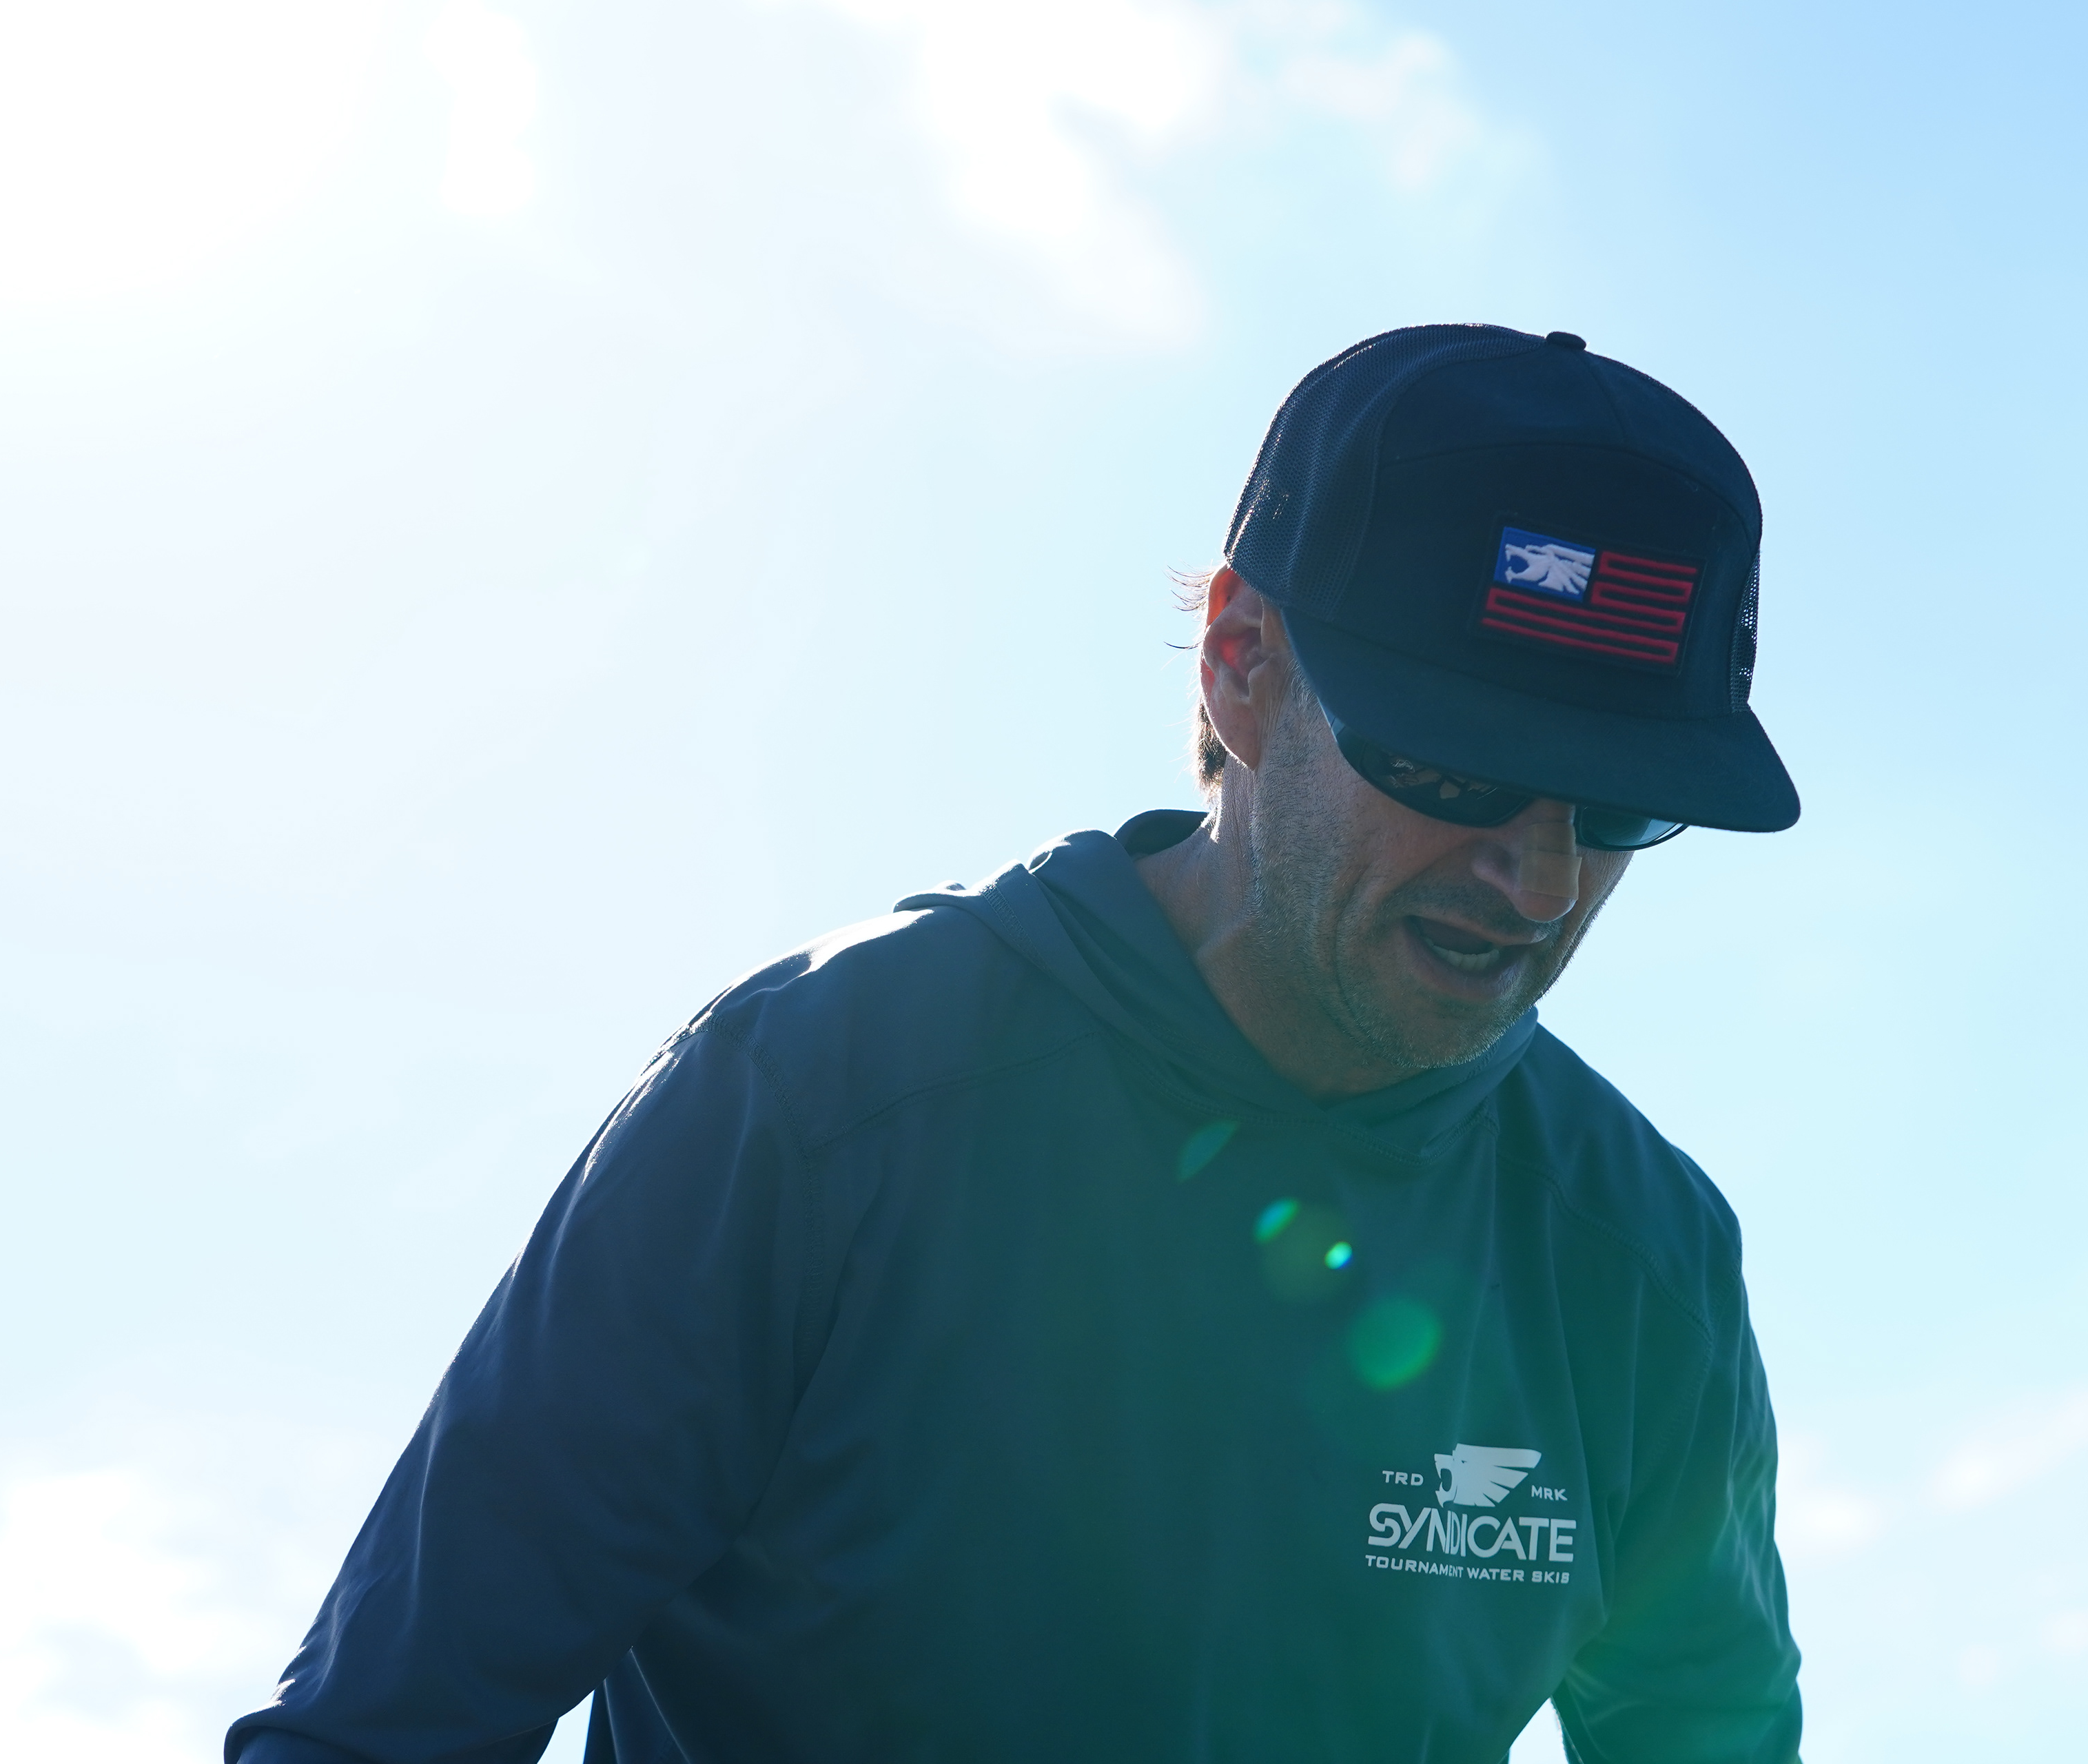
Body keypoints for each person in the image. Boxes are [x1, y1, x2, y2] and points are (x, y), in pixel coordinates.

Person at [226, 324, 1805, 1764]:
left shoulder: (1643, 1259)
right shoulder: (811, 1103)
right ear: (1242, 665)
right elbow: (379, 1736)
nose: (1540, 881)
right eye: (1457, 766)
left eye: (1620, 807)